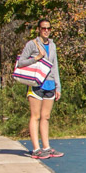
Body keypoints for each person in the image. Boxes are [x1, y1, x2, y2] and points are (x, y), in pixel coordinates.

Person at [17, 18, 63, 159]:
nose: (46, 30)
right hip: (36, 84)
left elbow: (54, 66)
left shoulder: (53, 45)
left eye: (48, 28)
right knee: (35, 116)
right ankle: (36, 149)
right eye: (43, 28)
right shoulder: (32, 44)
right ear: (38, 29)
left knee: (46, 116)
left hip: (49, 84)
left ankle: (46, 147)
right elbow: (20, 63)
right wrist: (36, 58)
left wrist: (58, 86)